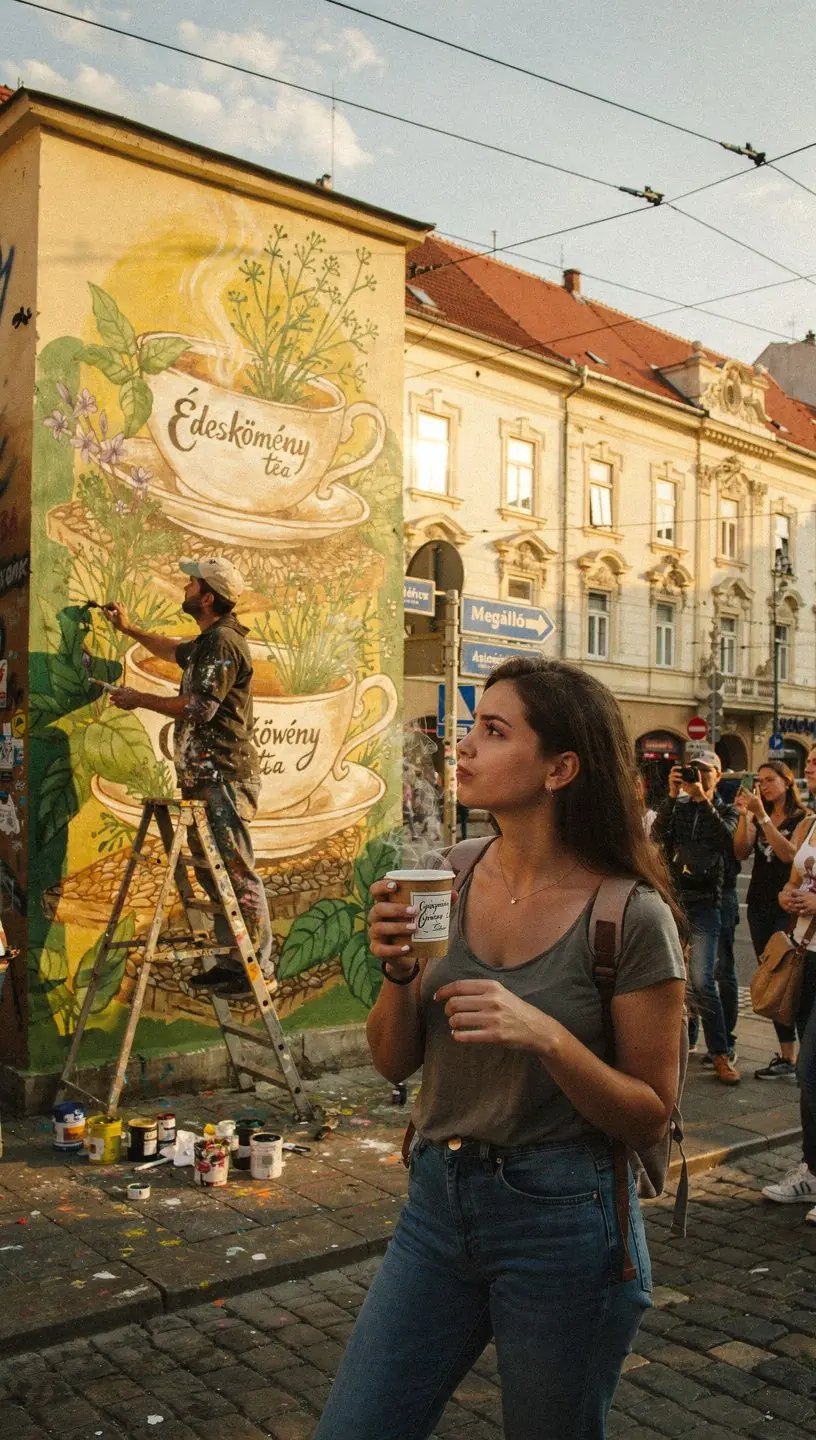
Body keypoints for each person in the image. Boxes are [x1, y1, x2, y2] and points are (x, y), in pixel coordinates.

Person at [314, 655, 686, 1440]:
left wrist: (547, 1036)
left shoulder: (630, 916)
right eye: (470, 727)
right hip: (437, 1202)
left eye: (492, 730)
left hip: (566, 1218)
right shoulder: (447, 875)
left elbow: (651, 1114)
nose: (464, 746)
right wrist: (398, 972)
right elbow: (392, 1061)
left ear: (560, 768)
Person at [102, 557, 274, 996]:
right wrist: (129, 629)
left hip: (224, 776)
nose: (185, 586)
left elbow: (200, 708)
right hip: (204, 776)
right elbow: (170, 650)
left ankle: (258, 966)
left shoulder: (223, 643)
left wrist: (138, 698)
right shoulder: (206, 643)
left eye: (192, 582)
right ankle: (234, 959)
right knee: (215, 873)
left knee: (235, 871)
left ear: (208, 596)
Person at [653, 750, 740, 1084]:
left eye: (705, 771)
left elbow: (725, 840)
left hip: (706, 902)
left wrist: (702, 798)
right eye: (694, 770)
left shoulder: (727, 809)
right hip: (676, 900)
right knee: (678, 980)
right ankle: (681, 1046)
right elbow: (657, 836)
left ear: (718, 775)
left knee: (703, 981)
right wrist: (672, 795)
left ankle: (720, 1052)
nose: (698, 776)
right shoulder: (679, 806)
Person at [761, 744, 816, 1215]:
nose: (811, 766)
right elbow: (793, 881)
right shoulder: (809, 823)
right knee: (808, 1075)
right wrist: (788, 896)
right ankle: (812, 1171)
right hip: (804, 956)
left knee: (810, 1068)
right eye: (811, 760)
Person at [734, 762, 807, 1081]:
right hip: (759, 904)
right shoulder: (759, 813)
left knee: (791, 978)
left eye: (770, 780)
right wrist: (745, 816)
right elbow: (740, 850)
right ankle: (787, 1054)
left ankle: (802, 1055)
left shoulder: (802, 819)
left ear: (787, 782)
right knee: (773, 977)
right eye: (760, 781)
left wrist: (763, 817)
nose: (763, 786)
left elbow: (788, 854)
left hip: (788, 909)